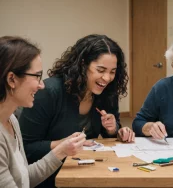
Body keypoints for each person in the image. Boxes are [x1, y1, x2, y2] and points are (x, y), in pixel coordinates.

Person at [19, 34, 135, 188]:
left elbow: (108, 133)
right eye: (100, 70)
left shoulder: (107, 93)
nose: (107, 78)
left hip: (86, 169)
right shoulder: (48, 92)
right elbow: (26, 148)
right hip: (48, 176)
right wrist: (61, 145)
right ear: (82, 65)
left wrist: (114, 129)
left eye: (113, 72)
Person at [0, 36, 86, 188]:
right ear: (12, 79)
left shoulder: (11, 120)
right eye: (37, 76)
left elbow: (25, 179)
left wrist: (63, 150)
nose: (42, 85)